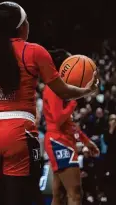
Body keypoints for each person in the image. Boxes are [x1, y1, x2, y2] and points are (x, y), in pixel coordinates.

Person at [0, 1, 99, 205]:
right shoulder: (34, 51)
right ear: (20, 26)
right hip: (18, 132)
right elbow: (62, 90)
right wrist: (87, 90)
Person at [43, 49, 100, 205]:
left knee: (59, 194)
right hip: (59, 142)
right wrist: (74, 101)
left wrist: (86, 141)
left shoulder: (62, 90)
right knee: (75, 193)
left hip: (61, 140)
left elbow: (69, 123)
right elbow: (58, 119)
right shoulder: (54, 89)